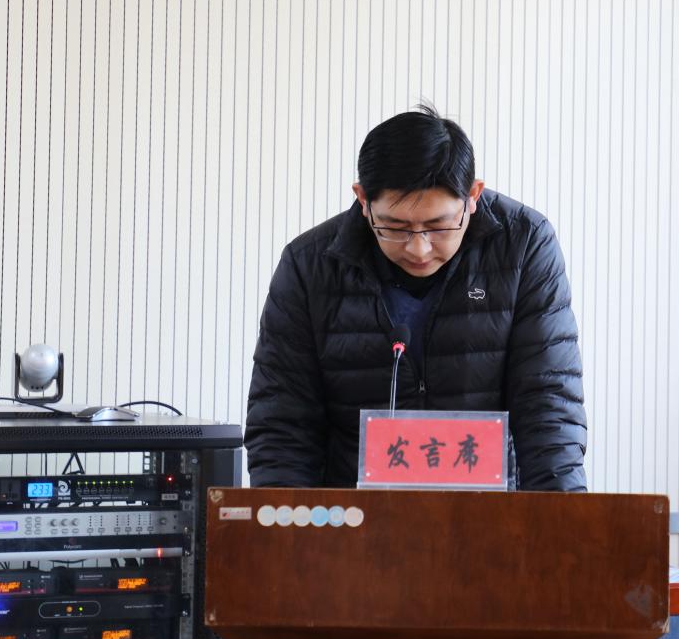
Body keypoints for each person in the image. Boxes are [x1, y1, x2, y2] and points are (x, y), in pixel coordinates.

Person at [245, 105, 587, 491]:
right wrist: (290, 523)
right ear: (363, 200)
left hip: (490, 510)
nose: (419, 248)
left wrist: (559, 520)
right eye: (395, 227)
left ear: (473, 196)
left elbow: (548, 407)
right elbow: (282, 423)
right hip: (353, 515)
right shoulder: (310, 266)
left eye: (440, 226)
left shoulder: (523, 245)